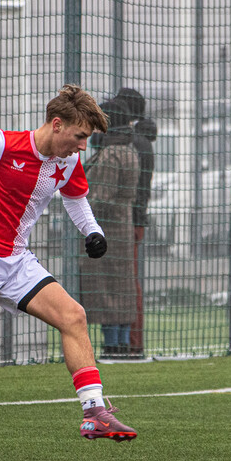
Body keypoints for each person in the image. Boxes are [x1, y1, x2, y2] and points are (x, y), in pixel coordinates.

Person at [0, 84, 137, 456]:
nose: (83, 146)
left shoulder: (67, 161)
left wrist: (93, 231)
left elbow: (76, 199)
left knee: (74, 316)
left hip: (16, 260)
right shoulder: (3, 144)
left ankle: (95, 412)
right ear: (57, 124)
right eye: (79, 136)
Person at [79, 98, 140, 358]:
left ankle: (112, 346)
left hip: (107, 231)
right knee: (122, 289)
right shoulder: (130, 150)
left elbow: (101, 198)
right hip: (123, 226)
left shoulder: (110, 154)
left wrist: (80, 209)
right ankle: (121, 344)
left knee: (106, 291)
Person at [115, 86, 156, 359]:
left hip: (129, 221)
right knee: (128, 282)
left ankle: (132, 343)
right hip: (133, 220)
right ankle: (130, 342)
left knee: (128, 284)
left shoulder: (135, 143)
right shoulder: (141, 141)